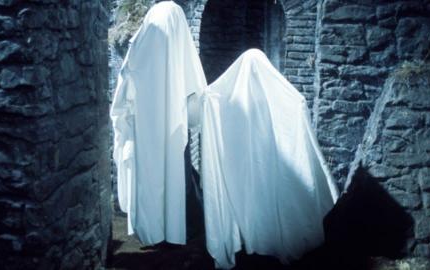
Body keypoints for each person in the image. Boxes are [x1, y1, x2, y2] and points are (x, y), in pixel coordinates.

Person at [200, 49, 339, 268]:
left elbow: (217, 100)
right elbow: (292, 104)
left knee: (251, 203)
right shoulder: (271, 96)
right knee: (266, 201)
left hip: (247, 171)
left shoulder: (234, 99)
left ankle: (254, 242)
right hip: (264, 167)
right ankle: (265, 241)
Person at [110, 1, 207, 246]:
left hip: (149, 123)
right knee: (175, 173)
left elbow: (128, 74)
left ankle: (163, 227)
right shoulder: (173, 32)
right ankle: (179, 226)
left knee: (158, 176)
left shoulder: (148, 34)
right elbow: (193, 85)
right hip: (170, 122)